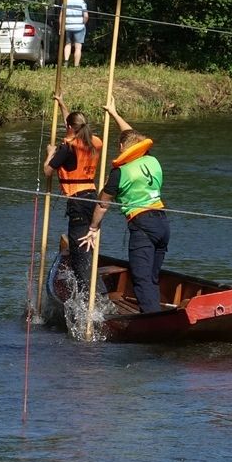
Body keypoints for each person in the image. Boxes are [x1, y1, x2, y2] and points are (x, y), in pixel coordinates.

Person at [80, 103, 169, 314]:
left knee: (141, 278)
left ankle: (152, 322)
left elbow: (102, 205)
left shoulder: (120, 173)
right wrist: (114, 114)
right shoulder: (152, 160)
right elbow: (133, 136)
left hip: (143, 225)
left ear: (122, 149)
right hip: (163, 225)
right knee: (152, 277)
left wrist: (93, 229)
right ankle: (154, 311)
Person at [42, 94, 104, 293]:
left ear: (70, 128)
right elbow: (73, 125)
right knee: (88, 245)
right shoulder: (94, 141)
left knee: (79, 254)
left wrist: (51, 153)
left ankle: (89, 298)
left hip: (77, 202)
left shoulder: (66, 148)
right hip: (93, 199)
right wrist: (62, 104)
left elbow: (47, 171)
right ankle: (95, 290)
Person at [61, 0, 89, 67]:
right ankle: (76, 65)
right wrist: (83, 23)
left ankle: (66, 62)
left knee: (68, 44)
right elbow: (86, 16)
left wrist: (61, 27)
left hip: (68, 26)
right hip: (79, 27)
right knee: (78, 46)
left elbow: (62, 15)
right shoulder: (82, 2)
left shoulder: (66, 1)